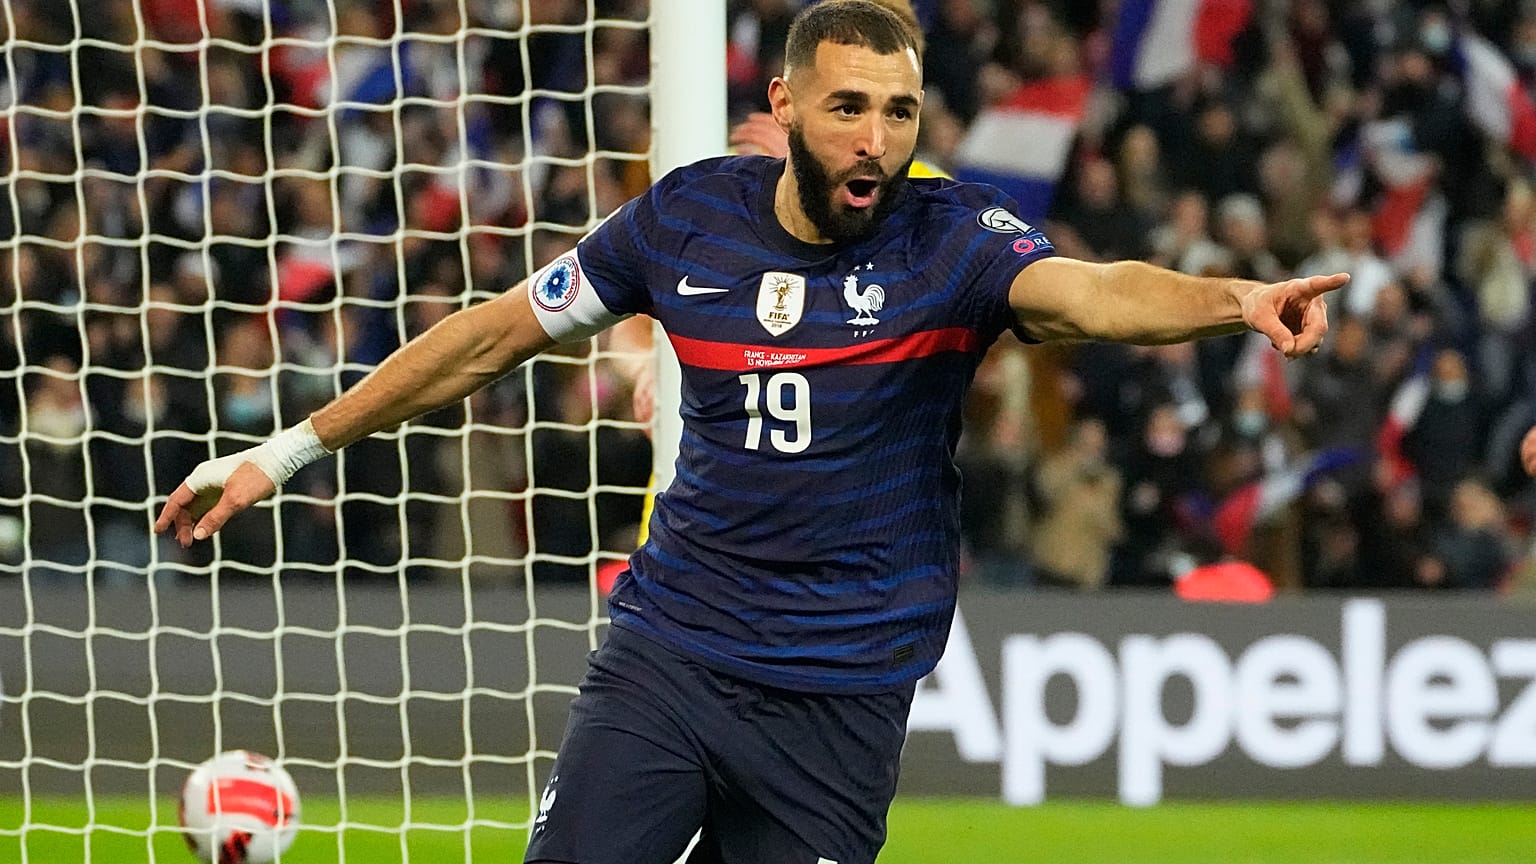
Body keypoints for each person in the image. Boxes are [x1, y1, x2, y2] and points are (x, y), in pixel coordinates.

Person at [155, 3, 1343, 862]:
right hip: (674, 652)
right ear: (782, 106)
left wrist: (1234, 301)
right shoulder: (687, 219)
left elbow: (1091, 294)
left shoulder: (953, 241)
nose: (875, 137)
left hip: (842, 691)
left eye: (897, 111)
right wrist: (279, 453)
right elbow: (493, 335)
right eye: (846, 108)